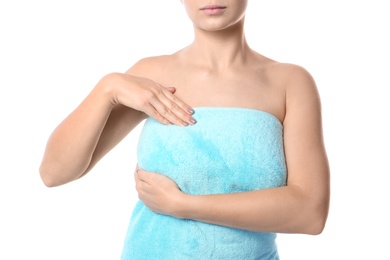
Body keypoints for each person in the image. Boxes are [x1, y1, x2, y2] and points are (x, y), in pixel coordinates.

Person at [39, 0, 330, 259]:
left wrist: (184, 205)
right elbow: (55, 173)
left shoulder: (290, 82)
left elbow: (310, 213)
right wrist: (107, 87)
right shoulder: (152, 74)